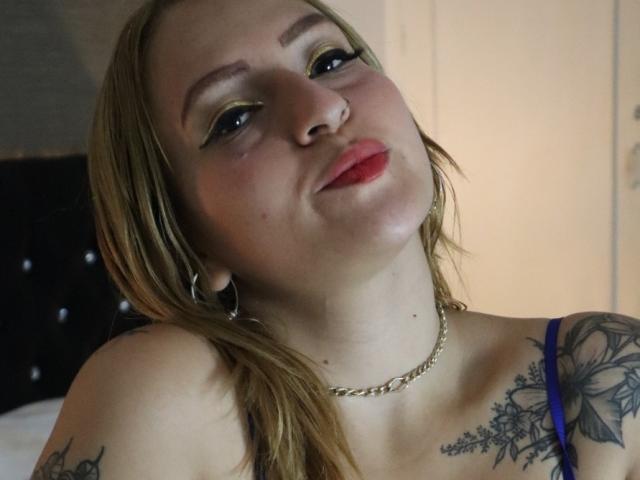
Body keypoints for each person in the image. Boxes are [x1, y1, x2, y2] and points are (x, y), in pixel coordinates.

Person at [31, 0, 640, 479]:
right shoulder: (159, 396)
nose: (321, 106)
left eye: (327, 61)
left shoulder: (602, 371)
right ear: (186, 236)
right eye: (234, 117)